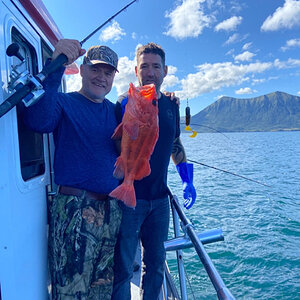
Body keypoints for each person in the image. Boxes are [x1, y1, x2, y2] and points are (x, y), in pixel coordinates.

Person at [22, 39, 122, 300]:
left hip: (111, 212)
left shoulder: (116, 112)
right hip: (75, 210)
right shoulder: (64, 102)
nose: (102, 77)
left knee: (101, 291)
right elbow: (38, 121)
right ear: (82, 69)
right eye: (96, 69)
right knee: (71, 293)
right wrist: (54, 68)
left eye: (108, 72)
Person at [112, 42, 197, 300]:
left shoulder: (172, 105)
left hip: (160, 200)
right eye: (145, 66)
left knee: (156, 265)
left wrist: (186, 179)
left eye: (156, 66)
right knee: (123, 266)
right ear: (136, 70)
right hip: (129, 199)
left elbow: (174, 143)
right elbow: (116, 144)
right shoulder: (125, 102)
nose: (150, 72)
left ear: (165, 70)